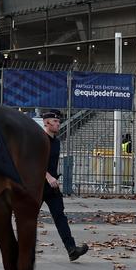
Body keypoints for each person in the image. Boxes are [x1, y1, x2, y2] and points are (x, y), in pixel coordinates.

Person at [40, 110, 88, 261]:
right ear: (46, 123)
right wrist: (47, 176)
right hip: (37, 186)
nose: (58, 124)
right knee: (27, 218)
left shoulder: (57, 141)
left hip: (52, 187)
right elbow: (33, 163)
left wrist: (52, 179)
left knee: (60, 216)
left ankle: (71, 249)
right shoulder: (40, 140)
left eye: (59, 122)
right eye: (55, 122)